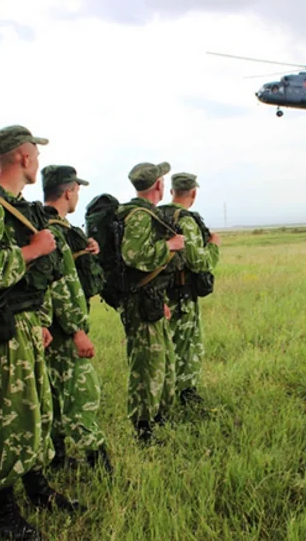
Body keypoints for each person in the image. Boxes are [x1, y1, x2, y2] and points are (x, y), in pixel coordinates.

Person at [0, 125, 76, 541]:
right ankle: (4, 509)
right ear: (23, 157)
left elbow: (35, 278)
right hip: (1, 333)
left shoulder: (14, 205)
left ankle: (36, 488)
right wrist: (31, 251)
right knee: (8, 417)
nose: (38, 162)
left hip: (25, 326)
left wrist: (41, 319)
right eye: (35, 155)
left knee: (36, 410)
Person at [41, 164, 112, 473]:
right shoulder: (55, 230)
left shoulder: (43, 226)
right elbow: (60, 283)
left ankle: (56, 459)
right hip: (63, 329)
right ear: (68, 191)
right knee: (81, 395)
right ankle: (99, 466)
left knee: (53, 396)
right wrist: (76, 330)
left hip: (46, 329)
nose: (78, 196)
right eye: (77, 190)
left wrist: (86, 251)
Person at [116, 162, 185, 442]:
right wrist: (169, 246)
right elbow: (133, 256)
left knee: (161, 360)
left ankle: (158, 416)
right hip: (140, 302)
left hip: (151, 298)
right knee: (146, 365)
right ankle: (143, 428)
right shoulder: (139, 216)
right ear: (158, 185)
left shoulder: (145, 214)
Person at [158, 173, 221, 406]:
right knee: (185, 346)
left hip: (158, 293)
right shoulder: (186, 221)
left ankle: (164, 392)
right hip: (181, 295)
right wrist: (214, 247)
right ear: (193, 193)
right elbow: (199, 262)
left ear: (171, 191)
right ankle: (184, 396)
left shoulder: (158, 214)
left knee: (166, 345)